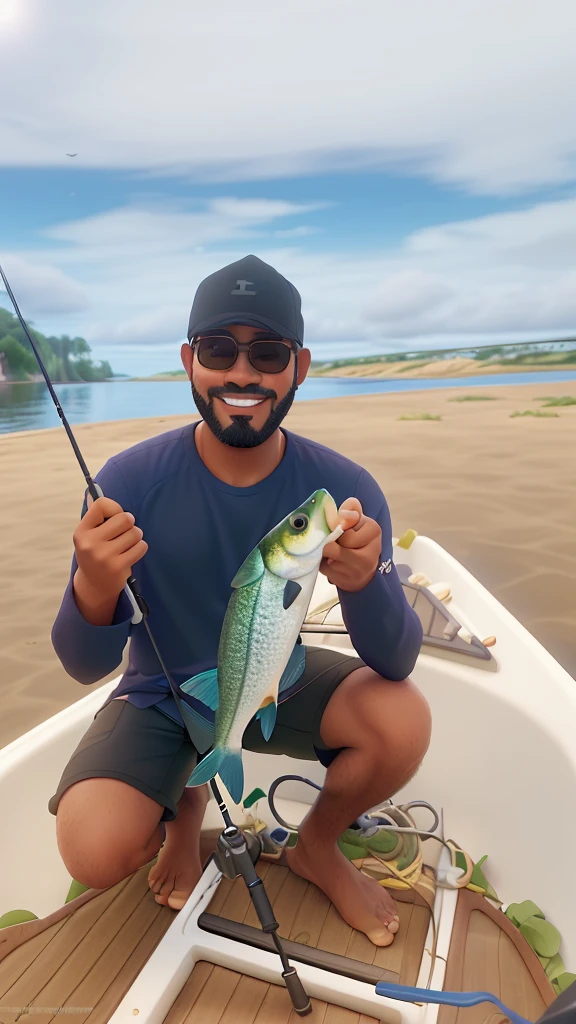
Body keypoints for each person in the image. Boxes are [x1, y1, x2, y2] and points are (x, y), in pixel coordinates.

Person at [49, 254, 431, 947]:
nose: (243, 373)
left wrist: (366, 578)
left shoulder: (341, 488)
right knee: (94, 846)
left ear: (300, 366)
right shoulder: (126, 481)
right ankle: (186, 806)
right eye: (221, 349)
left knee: (400, 719)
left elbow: (395, 657)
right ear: (191, 360)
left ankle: (317, 847)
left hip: (273, 676)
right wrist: (93, 586)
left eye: (268, 352)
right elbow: (83, 664)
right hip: (163, 689)